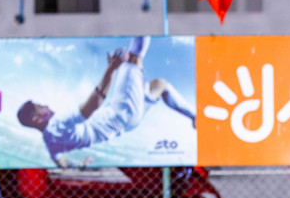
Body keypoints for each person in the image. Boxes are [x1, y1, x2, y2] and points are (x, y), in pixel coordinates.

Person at [17, 37, 195, 167]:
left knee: (160, 85)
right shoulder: (58, 123)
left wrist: (79, 167)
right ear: (37, 119)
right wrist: (110, 70)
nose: (46, 106)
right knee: (133, 58)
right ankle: (145, 19)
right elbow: (94, 104)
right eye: (41, 107)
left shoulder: (49, 141)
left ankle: (195, 117)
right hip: (121, 112)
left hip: (128, 124)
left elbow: (61, 162)